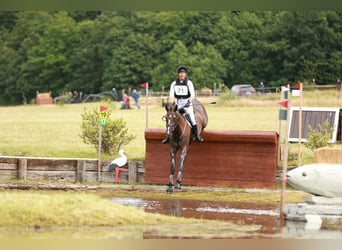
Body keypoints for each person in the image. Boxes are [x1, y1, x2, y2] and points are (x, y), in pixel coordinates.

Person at [162, 65, 204, 144]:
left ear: (185, 74)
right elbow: (171, 96)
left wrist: (188, 102)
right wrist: (171, 105)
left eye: (183, 73)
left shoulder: (189, 83)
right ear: (178, 74)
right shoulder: (174, 84)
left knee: (192, 119)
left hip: (187, 104)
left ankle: (197, 136)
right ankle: (167, 137)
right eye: (180, 73)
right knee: (170, 118)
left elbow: (192, 95)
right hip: (178, 104)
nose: (182, 74)